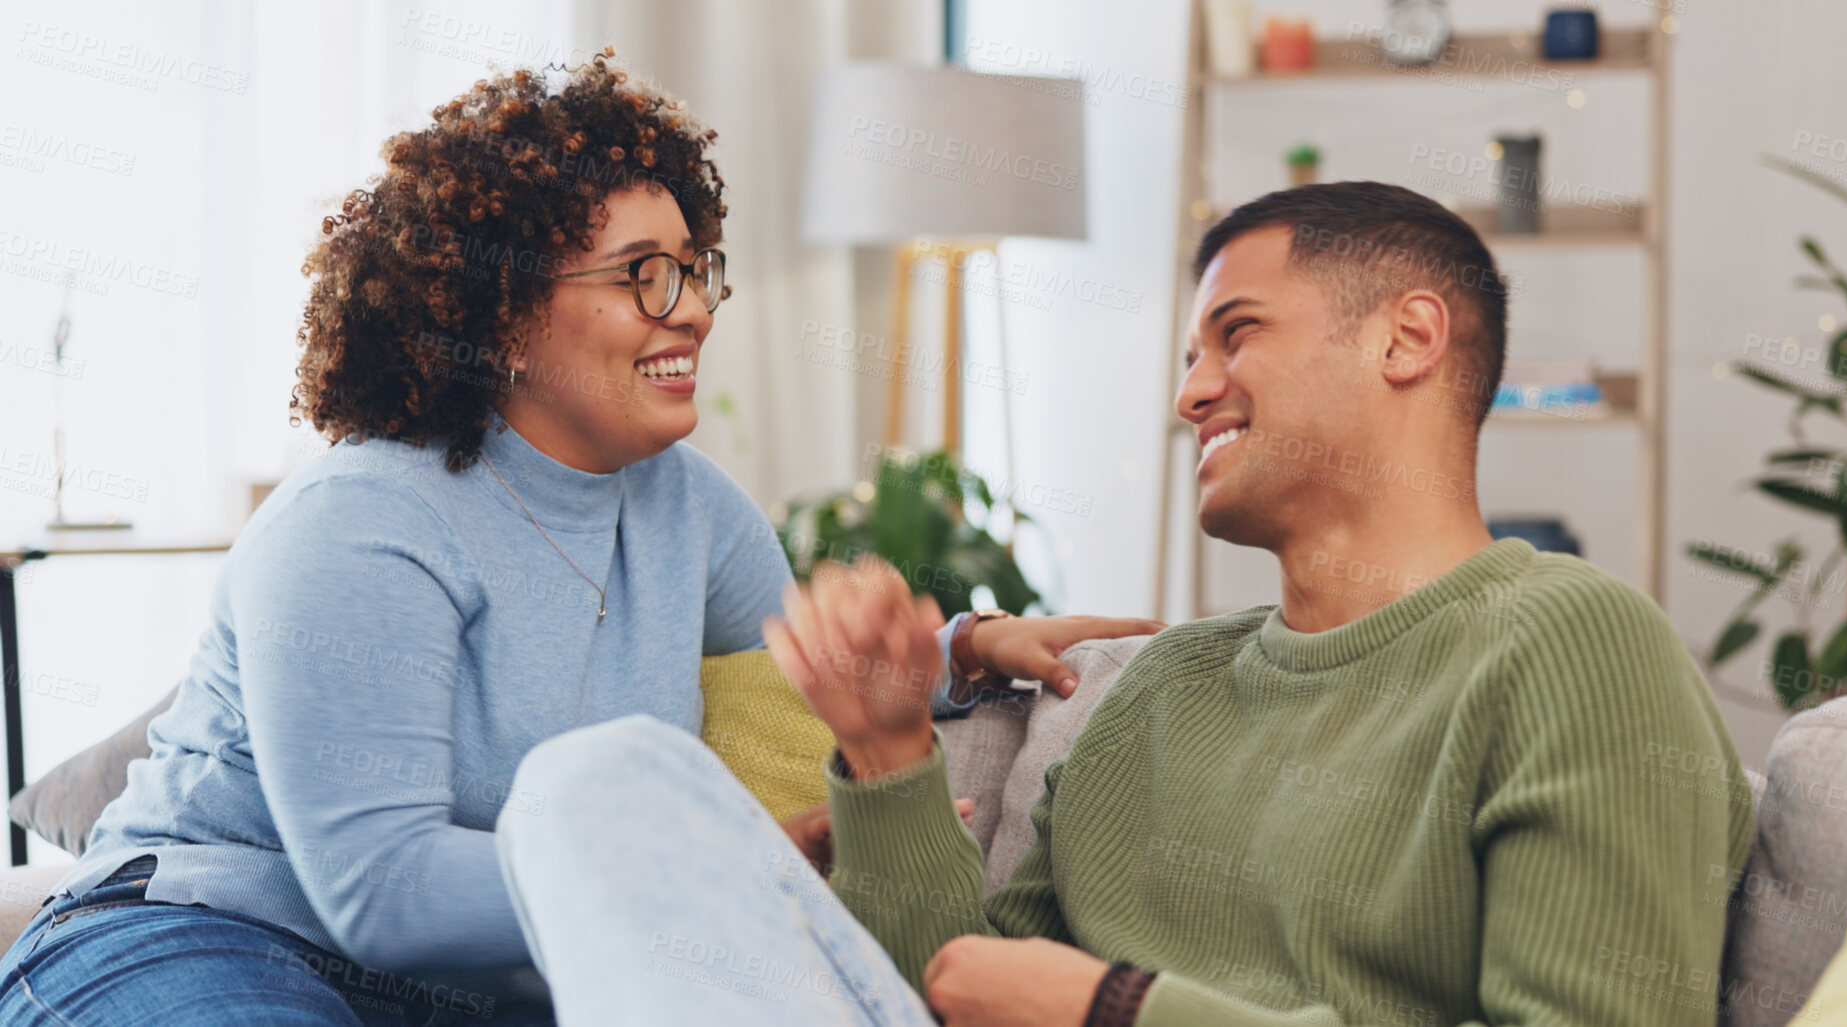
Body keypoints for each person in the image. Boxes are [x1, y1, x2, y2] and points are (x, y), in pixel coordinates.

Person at [0, 53, 1158, 1026]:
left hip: (476, 989)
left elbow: (809, 666)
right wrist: (708, 858)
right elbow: (382, 889)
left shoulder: (687, 506)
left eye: (694, 269)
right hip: (199, 940)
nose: (693, 309)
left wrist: (964, 650)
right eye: (643, 277)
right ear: (500, 312)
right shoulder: (361, 520)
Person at [492, 182, 1752, 1026]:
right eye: (1190, 357)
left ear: (1407, 338)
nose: (1192, 393)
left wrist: (1122, 1009)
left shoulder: (1572, 643)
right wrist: (883, 749)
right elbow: (953, 987)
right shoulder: (1161, 683)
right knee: (591, 783)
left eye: (1235, 334)